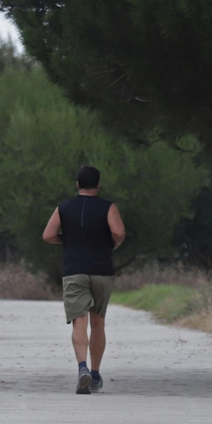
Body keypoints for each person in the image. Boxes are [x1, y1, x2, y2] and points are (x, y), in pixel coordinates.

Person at [42, 165, 126, 394]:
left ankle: (82, 369)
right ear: (98, 185)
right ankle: (96, 374)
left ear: (77, 184)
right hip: (101, 270)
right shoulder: (109, 207)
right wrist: (111, 244)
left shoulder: (63, 207)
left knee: (80, 322)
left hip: (74, 270)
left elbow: (48, 235)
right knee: (98, 323)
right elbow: (119, 233)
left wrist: (67, 240)